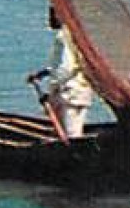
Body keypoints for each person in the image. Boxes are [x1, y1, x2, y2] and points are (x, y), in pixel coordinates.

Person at [27, 8, 95, 139]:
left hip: (69, 93)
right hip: (77, 91)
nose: (49, 19)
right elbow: (64, 65)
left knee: (71, 135)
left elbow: (66, 68)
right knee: (70, 132)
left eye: (52, 14)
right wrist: (43, 73)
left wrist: (52, 90)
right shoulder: (76, 34)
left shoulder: (64, 36)